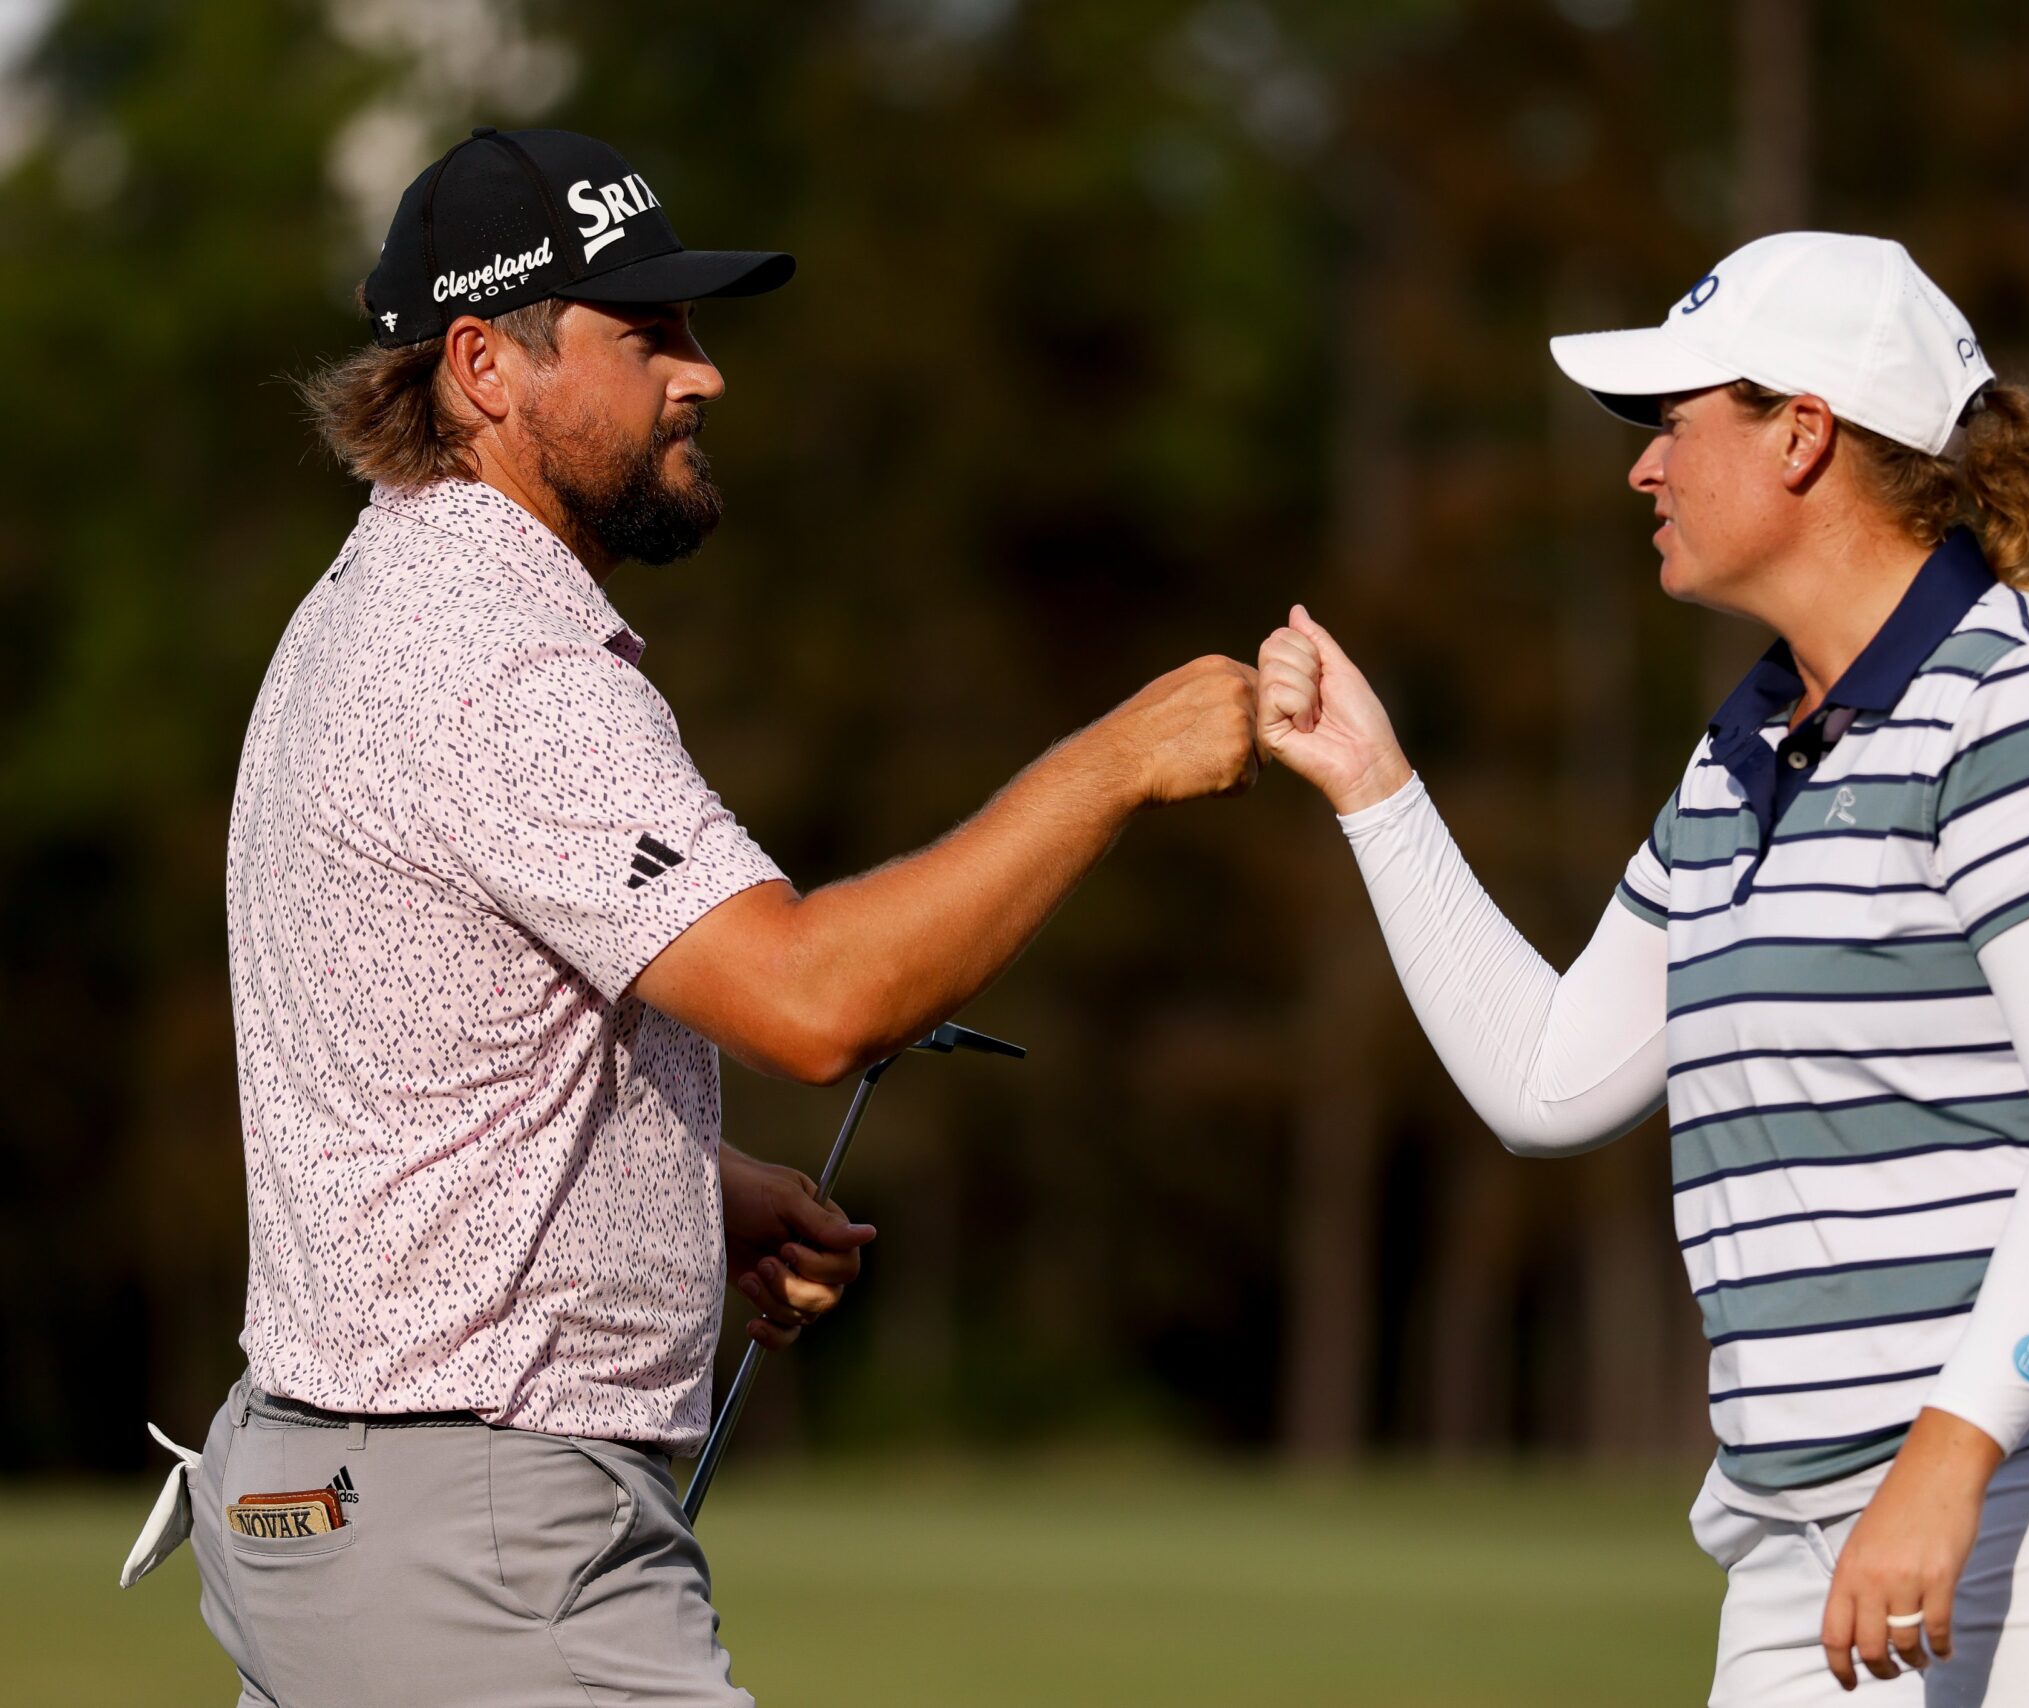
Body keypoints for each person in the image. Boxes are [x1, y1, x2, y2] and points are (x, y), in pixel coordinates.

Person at [132, 127, 1257, 1708]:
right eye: (649, 333)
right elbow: (813, 1000)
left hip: (320, 1509)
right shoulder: (503, 664)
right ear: (485, 368)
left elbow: (400, 1060)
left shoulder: (364, 598)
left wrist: (685, 1191)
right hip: (484, 1548)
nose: (704, 375)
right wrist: (1118, 763)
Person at [1255, 232, 2029, 1705]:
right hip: (1804, 1533)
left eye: (1672, 426)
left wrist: (1948, 1454)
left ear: (1802, 437)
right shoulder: (1745, 751)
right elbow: (1548, 1080)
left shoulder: (2026, 700)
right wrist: (1376, 789)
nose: (1642, 472)